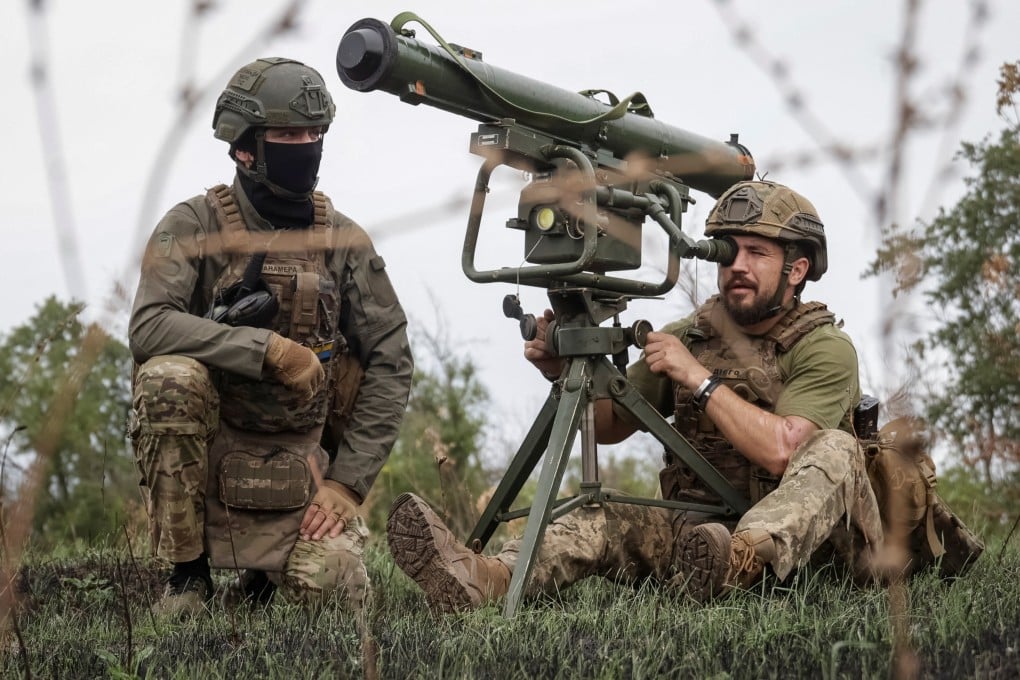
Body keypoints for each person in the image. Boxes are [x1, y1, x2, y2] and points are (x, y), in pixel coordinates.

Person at [386, 179, 885, 612]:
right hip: (702, 537)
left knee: (835, 447)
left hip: (819, 551)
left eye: (758, 254)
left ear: (796, 271)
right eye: (729, 250)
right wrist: (563, 372)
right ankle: (482, 580)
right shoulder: (692, 335)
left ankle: (740, 559)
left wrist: (698, 380)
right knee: (598, 514)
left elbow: (784, 449)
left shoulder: (824, 347)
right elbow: (610, 425)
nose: (738, 265)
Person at [128, 57, 413, 617]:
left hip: (304, 468)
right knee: (168, 377)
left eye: (315, 134)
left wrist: (347, 485)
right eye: (287, 134)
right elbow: (148, 325)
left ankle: (262, 579)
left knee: (336, 594)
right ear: (243, 147)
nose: (305, 146)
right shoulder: (193, 226)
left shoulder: (344, 241)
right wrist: (268, 351)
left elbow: (391, 361)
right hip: (213, 450)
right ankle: (188, 577)